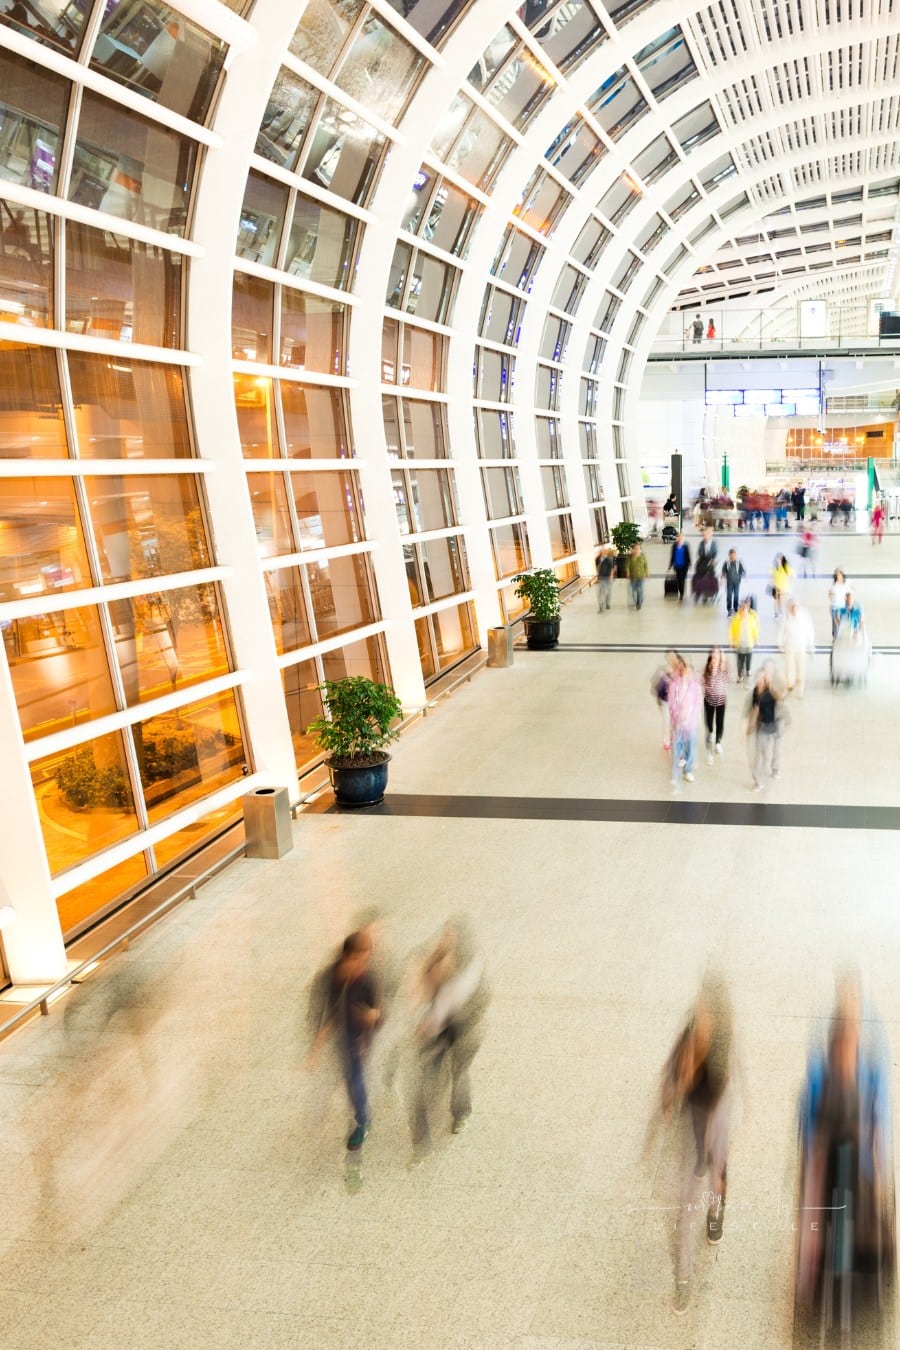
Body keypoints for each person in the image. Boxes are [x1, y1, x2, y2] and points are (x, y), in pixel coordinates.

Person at [794, 974, 894, 1341]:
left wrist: (879, 1162)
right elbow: (810, 1101)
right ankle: (829, 1304)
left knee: (851, 1227)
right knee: (828, 1229)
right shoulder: (825, 1045)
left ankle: (846, 1307)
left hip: (855, 1162)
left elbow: (880, 1108)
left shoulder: (871, 1044)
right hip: (829, 1156)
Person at [653, 974, 738, 1314]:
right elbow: (671, 1075)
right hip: (692, 1123)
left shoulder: (723, 1045)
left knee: (717, 1175)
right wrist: (672, 1093)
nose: (700, 1013)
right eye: (699, 1006)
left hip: (714, 1117)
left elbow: (725, 1103)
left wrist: (719, 1152)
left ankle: (716, 1211)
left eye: (706, 1009)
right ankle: (684, 1277)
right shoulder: (690, 1033)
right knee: (686, 1203)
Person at [410, 918, 489, 1160]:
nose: (445, 940)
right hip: (438, 1034)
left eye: (450, 938)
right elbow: (417, 986)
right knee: (430, 1081)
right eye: (445, 934)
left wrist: (432, 1022)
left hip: (461, 1035)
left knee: (457, 1074)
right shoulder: (437, 958)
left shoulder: (465, 981)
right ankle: (426, 1136)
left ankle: (460, 1113)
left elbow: (472, 1008)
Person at [309, 930, 382, 1150]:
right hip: (340, 1029)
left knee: (354, 1078)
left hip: (357, 1035)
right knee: (347, 1076)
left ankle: (362, 1120)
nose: (363, 965)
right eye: (358, 959)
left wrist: (372, 1017)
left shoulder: (368, 981)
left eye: (366, 959)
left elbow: (378, 1014)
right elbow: (322, 1009)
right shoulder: (329, 977)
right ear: (346, 956)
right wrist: (317, 1043)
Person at [668, 654, 702, 792]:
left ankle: (688, 770)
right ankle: (676, 774)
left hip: (691, 723)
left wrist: (692, 717)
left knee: (691, 746)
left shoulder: (695, 687)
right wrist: (678, 715)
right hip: (678, 723)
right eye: (685, 670)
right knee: (677, 748)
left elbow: (697, 703)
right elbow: (672, 704)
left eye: (689, 671)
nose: (687, 673)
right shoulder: (674, 686)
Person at [747, 662, 784, 791]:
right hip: (762, 727)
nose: (760, 680)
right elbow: (755, 709)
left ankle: (775, 769)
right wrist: (750, 726)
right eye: (759, 677)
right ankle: (759, 781)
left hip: (775, 725)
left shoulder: (771, 691)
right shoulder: (756, 692)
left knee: (773, 751)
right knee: (760, 754)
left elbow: (780, 698)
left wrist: (772, 688)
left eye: (763, 678)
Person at [702, 646, 733, 762]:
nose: (715, 656)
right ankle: (710, 732)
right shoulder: (706, 669)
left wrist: (724, 666)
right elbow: (703, 684)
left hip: (721, 701)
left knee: (720, 722)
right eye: (713, 654)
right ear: (711, 656)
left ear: (720, 656)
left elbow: (733, 679)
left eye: (717, 654)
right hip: (709, 700)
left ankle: (718, 742)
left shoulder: (725, 668)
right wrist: (713, 673)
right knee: (709, 721)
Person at [780, 599, 815, 697]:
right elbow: (781, 631)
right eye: (791, 608)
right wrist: (780, 644)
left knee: (801, 667)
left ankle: (801, 687)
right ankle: (789, 684)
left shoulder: (803, 617)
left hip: (801, 646)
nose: (793, 610)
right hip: (790, 645)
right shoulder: (786, 618)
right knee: (789, 666)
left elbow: (809, 631)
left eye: (794, 607)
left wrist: (811, 645)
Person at [729, 597, 759, 686]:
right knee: (740, 661)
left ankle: (748, 669)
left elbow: (755, 630)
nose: (744, 612)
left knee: (749, 659)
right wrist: (731, 641)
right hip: (740, 644)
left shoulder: (751, 618)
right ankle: (740, 675)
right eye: (743, 610)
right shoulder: (736, 619)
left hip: (749, 644)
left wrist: (756, 640)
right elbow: (731, 630)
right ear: (740, 610)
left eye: (746, 610)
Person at [668, 531, 691, 603]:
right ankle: (681, 592)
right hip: (677, 566)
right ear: (677, 538)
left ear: (683, 538)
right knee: (679, 580)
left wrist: (690, 564)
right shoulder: (674, 546)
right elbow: (672, 556)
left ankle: (682, 593)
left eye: (681, 537)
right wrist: (670, 566)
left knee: (682, 580)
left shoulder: (686, 546)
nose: (680, 539)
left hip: (684, 566)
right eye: (679, 537)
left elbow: (688, 556)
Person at [721, 548, 745, 616]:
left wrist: (746, 576)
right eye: (731, 555)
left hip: (737, 583)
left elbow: (742, 571)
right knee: (729, 596)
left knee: (736, 596)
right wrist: (721, 580)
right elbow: (723, 572)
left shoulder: (738, 562)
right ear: (729, 555)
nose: (733, 556)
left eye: (734, 555)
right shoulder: (726, 563)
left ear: (736, 555)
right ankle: (729, 610)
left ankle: (736, 609)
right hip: (729, 583)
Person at [626, 540, 649, 610]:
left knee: (640, 590)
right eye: (635, 548)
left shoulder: (643, 556)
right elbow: (627, 565)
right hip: (633, 576)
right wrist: (628, 572)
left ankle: (639, 603)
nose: (637, 550)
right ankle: (637, 601)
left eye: (638, 548)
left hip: (641, 575)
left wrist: (647, 573)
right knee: (633, 591)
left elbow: (646, 565)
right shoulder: (630, 556)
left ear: (640, 549)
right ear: (633, 549)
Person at [771, 553, 793, 619]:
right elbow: (773, 576)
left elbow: (790, 574)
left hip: (783, 587)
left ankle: (780, 612)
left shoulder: (786, 566)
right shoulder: (775, 567)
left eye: (780, 558)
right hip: (776, 586)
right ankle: (776, 613)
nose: (779, 560)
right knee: (776, 601)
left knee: (780, 601)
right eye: (778, 558)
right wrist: (773, 585)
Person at [828, 568, 848, 638]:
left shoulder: (845, 585)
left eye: (840, 575)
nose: (838, 576)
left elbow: (848, 595)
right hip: (835, 607)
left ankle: (841, 637)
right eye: (837, 575)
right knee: (835, 624)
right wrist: (831, 595)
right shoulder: (834, 587)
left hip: (843, 607)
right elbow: (831, 597)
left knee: (842, 623)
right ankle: (835, 637)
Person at [595, 546, 614, 612]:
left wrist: (610, 576)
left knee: (609, 592)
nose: (602, 552)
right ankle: (601, 608)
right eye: (601, 550)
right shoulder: (597, 559)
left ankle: (607, 603)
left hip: (608, 578)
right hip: (601, 578)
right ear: (600, 552)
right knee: (601, 593)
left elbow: (611, 568)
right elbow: (597, 568)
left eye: (604, 550)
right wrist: (598, 577)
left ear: (606, 552)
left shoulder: (609, 559)